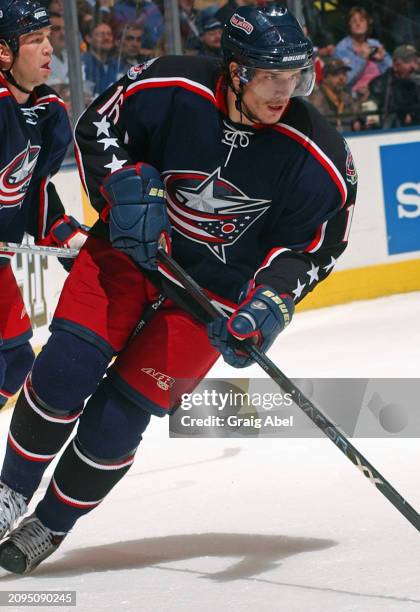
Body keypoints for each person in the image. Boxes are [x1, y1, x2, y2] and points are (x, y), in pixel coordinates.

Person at [0, 6, 357, 574]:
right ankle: (10, 492)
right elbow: (98, 125)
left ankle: (52, 521)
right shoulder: (169, 83)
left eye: (295, 78)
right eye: (270, 77)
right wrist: (121, 187)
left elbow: (312, 246)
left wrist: (269, 304)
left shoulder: (320, 152)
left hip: (209, 297)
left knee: (118, 420)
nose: (283, 93)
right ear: (236, 71)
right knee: (64, 369)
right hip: (128, 256)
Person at [0, 1, 87, 411]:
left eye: (49, 37)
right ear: (4, 52)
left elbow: (33, 188)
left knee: (15, 361)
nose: (49, 48)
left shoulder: (46, 110)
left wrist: (62, 230)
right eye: (35, 40)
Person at [335, 6, 391, 100]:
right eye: (354, 21)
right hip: (355, 97)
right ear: (349, 25)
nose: (358, 23)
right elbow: (346, 80)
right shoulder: (341, 49)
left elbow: (392, 71)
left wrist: (382, 60)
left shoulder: (374, 44)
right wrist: (363, 59)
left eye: (362, 20)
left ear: (367, 23)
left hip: (379, 92)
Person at [368, 44, 420, 128]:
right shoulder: (379, 85)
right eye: (408, 61)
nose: (414, 66)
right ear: (396, 65)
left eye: (415, 61)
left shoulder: (417, 83)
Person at [309, 57, 362, 131]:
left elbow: (358, 113)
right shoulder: (318, 97)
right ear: (325, 78)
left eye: (344, 74)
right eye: (336, 74)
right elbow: (324, 120)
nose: (342, 78)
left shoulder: (344, 95)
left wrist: (362, 98)